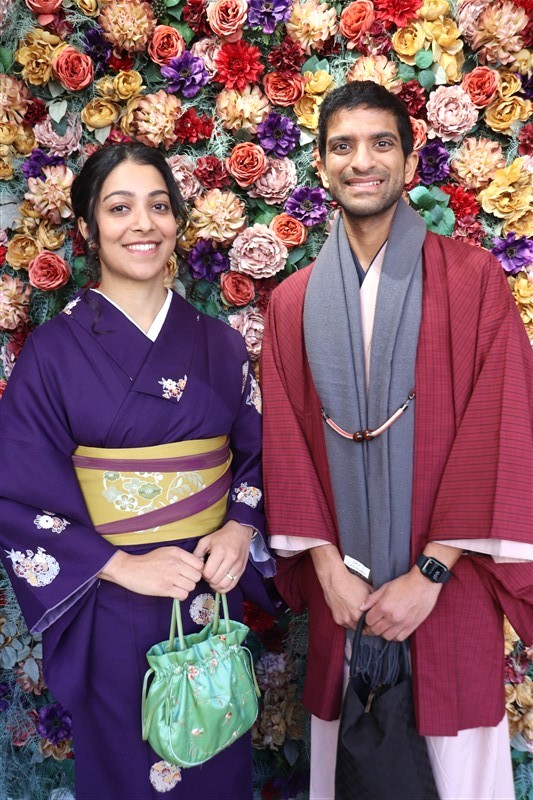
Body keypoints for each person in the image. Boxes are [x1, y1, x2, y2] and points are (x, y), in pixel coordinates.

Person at [261, 81, 533, 800]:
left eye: (381, 143)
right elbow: (285, 445)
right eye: (342, 146)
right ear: (321, 165)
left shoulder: (473, 279)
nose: (362, 161)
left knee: (458, 771)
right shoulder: (292, 302)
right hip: (344, 597)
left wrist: (429, 574)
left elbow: (499, 428)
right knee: (348, 768)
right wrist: (326, 571)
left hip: (448, 593)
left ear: (409, 162)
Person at [0, 142, 274, 800]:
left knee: (217, 766)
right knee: (129, 769)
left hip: (210, 597)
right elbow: (15, 491)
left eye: (158, 206)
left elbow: (258, 453)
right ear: (88, 228)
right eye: (119, 208)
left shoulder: (219, 343)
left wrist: (239, 528)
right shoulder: (53, 353)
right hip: (110, 601)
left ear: (177, 221)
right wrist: (119, 565)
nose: (142, 224)